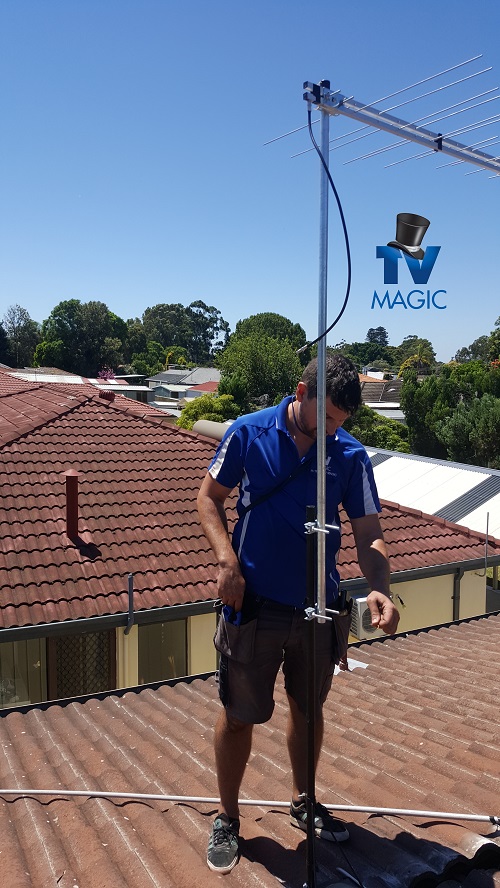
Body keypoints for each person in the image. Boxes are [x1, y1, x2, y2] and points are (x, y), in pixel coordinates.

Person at [197, 354, 400, 874]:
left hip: (317, 611)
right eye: (328, 417)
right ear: (300, 392)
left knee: (308, 711)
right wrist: (227, 561)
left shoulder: (349, 455)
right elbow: (209, 497)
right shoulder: (248, 433)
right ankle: (227, 817)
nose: (334, 429)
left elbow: (368, 530)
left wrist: (379, 588)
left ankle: (303, 800)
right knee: (240, 715)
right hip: (254, 608)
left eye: (342, 422)